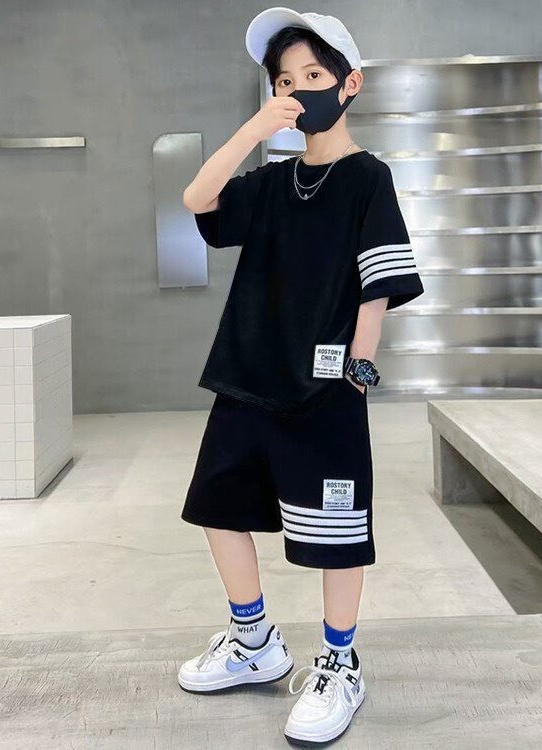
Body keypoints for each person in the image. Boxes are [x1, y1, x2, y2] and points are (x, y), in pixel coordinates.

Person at [177, 7, 424, 746]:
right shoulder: (272, 181)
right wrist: (254, 130)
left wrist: (360, 366)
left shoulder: (367, 178)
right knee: (219, 509)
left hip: (325, 387)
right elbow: (197, 199)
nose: (298, 90)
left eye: (314, 75)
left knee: (336, 532)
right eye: (285, 81)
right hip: (246, 374)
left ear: (350, 84)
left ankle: (340, 664)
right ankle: (254, 642)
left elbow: (377, 282)